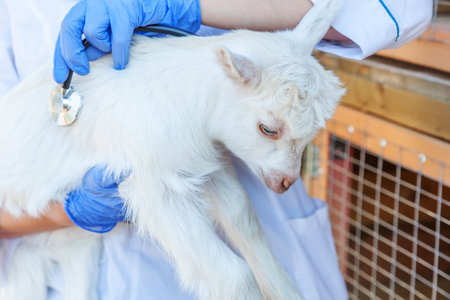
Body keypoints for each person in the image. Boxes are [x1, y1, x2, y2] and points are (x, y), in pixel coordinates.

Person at [0, 0, 432, 299]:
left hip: (270, 230)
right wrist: (69, 212)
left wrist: (188, 5)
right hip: (73, 269)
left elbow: (402, 7)